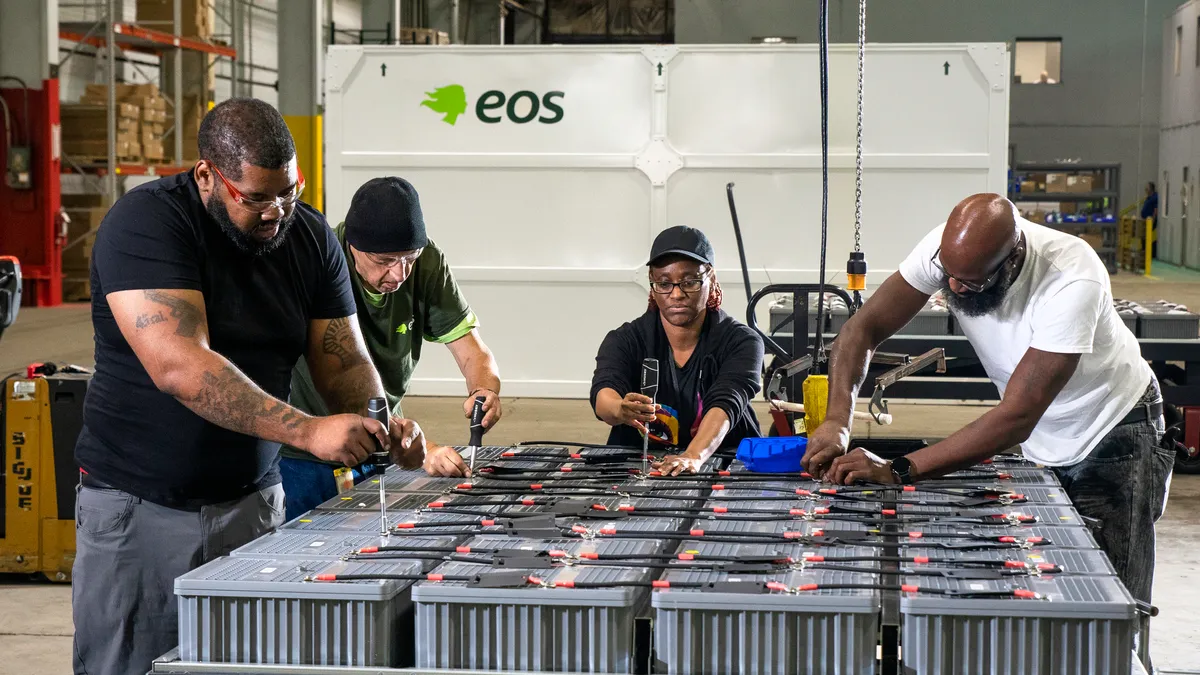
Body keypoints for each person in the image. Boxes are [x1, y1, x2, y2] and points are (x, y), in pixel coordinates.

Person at [72, 98, 443, 675]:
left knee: (250, 662)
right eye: (258, 198)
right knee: (132, 667)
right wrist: (308, 429)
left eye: (289, 191)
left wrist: (381, 422)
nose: (278, 212)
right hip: (141, 509)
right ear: (207, 176)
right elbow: (180, 366)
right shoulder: (146, 224)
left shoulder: (311, 237)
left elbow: (342, 359)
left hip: (251, 503)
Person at [804, 193, 1174, 608]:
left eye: (972, 282)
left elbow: (1017, 416)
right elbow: (861, 330)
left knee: (1107, 603)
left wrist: (897, 470)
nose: (955, 288)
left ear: (1012, 260)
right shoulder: (946, 253)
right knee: (1047, 586)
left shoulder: (1072, 278)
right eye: (950, 276)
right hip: (1046, 438)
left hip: (1113, 429)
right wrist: (838, 418)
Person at [279, 176, 500, 519]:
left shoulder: (426, 263)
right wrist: (420, 449)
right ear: (353, 245)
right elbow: (342, 379)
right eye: (385, 261)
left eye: (409, 258)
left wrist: (484, 388)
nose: (399, 274)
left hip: (379, 444)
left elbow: (472, 350)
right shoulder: (319, 258)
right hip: (305, 455)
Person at [590, 226, 764, 476]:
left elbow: (726, 403)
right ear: (652, 284)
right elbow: (603, 393)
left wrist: (693, 456)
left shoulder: (741, 341)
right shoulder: (626, 339)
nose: (677, 294)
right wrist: (620, 409)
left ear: (711, 279)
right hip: (640, 464)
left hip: (724, 463)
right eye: (664, 283)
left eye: (690, 281)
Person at [1142, 182, 1159, 258]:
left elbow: (1155, 209)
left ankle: (1152, 254)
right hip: (1145, 220)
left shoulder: (1155, 198)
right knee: (1144, 237)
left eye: (1147, 187)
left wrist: (1153, 219)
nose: (1146, 189)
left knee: (1151, 238)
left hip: (1151, 221)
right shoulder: (1148, 197)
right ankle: (1145, 252)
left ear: (1151, 189)